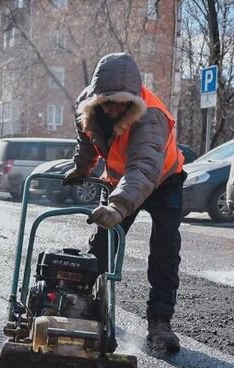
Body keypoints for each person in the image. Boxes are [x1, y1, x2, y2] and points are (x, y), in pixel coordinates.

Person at [63, 52, 186, 352]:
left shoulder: (150, 117)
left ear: (133, 98)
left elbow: (143, 168)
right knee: (103, 246)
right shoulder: (87, 106)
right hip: (120, 182)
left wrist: (117, 207)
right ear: (96, 97)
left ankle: (160, 324)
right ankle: (86, 307)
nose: (115, 108)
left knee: (165, 248)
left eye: (122, 101)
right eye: (108, 101)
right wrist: (82, 168)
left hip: (163, 179)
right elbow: (87, 137)